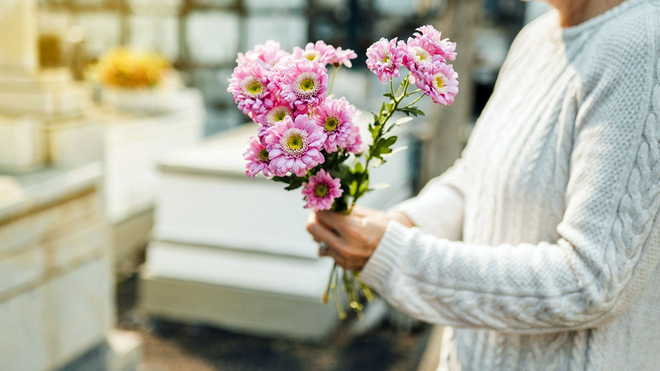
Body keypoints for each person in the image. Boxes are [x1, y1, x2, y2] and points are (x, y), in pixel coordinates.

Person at [306, 0, 660, 369]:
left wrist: (398, 257)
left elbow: (588, 283)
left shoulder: (644, 48)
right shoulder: (536, 37)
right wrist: (402, 224)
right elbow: (477, 175)